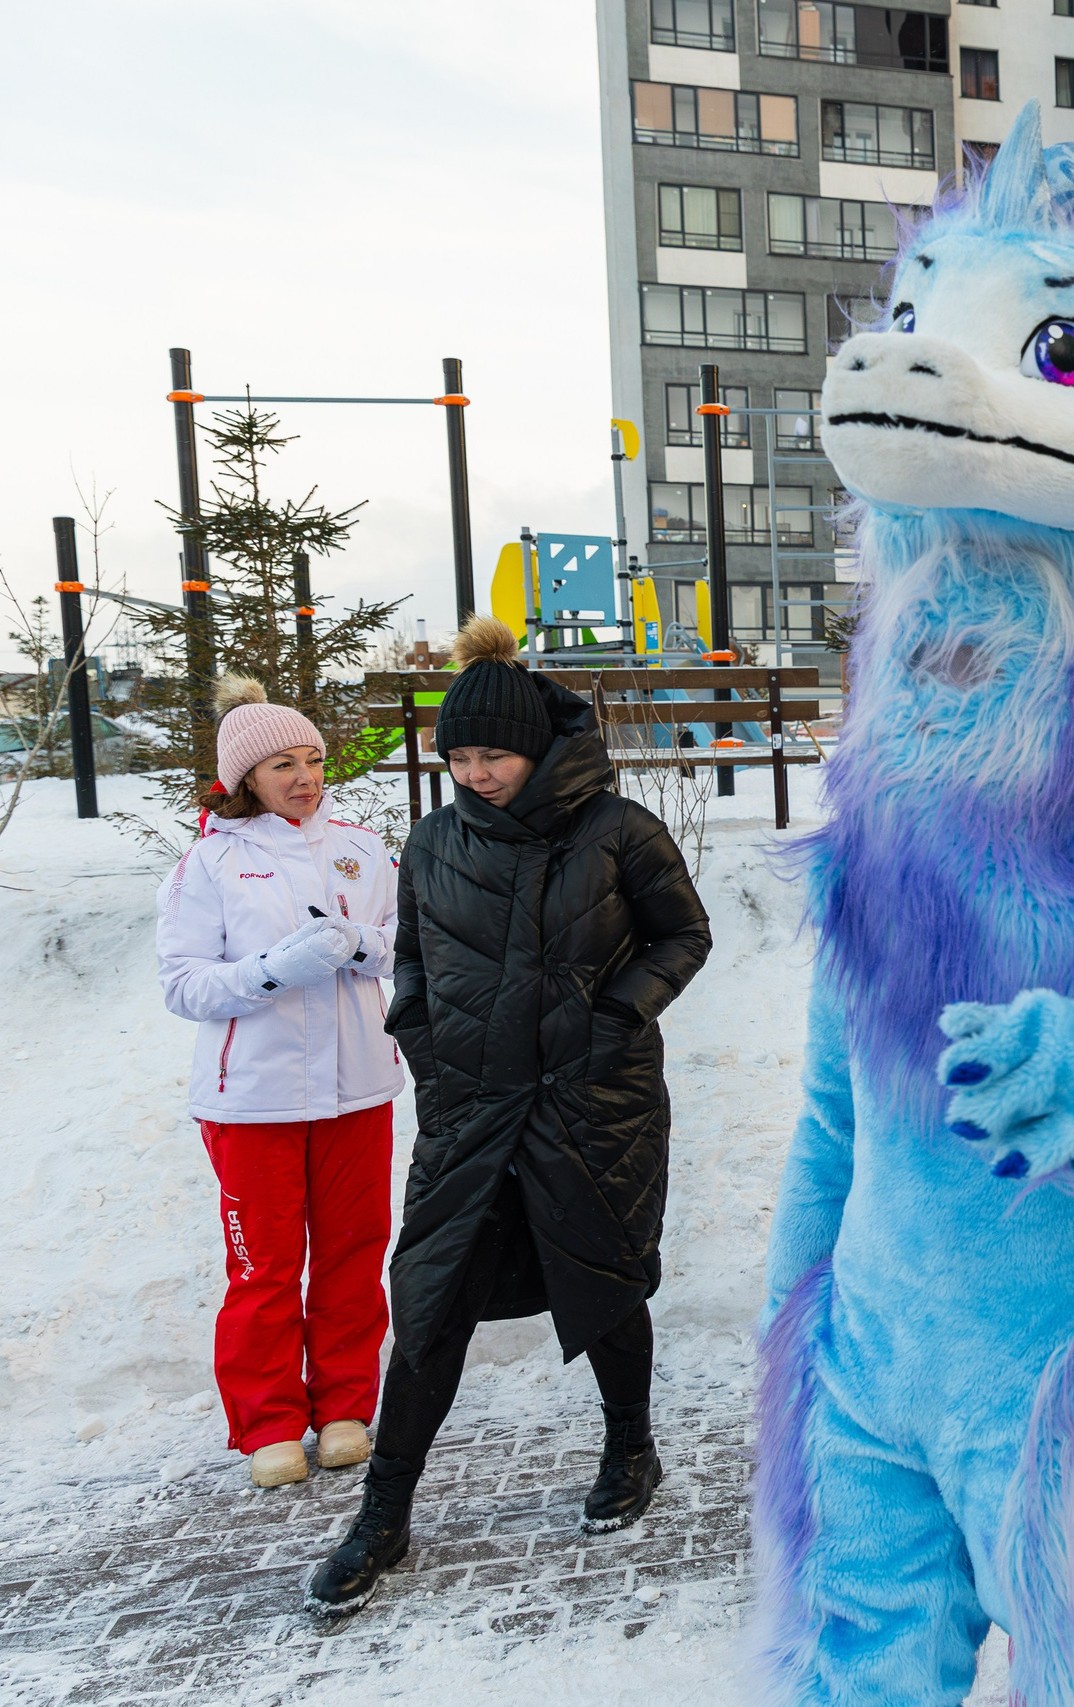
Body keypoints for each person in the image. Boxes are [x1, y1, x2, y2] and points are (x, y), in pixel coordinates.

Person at [307, 617, 712, 1616]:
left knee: (603, 1280)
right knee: (433, 1299)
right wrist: (429, 1055)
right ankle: (383, 1514)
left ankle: (631, 1450)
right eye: (460, 757)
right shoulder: (436, 840)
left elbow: (682, 935)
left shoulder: (619, 831)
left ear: (535, 748)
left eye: (492, 754)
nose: (476, 772)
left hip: (593, 1099)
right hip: (472, 1107)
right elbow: (411, 965)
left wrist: (616, 1015)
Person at [156, 677, 401, 1489]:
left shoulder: (362, 851)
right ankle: (266, 1422)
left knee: (353, 1253)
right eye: (281, 765)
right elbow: (185, 984)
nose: (304, 777)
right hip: (251, 1100)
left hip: (357, 1088)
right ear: (243, 780)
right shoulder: (212, 862)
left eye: (314, 760)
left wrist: (360, 944)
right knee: (262, 1266)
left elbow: (410, 944)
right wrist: (273, 970)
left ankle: (343, 1409)